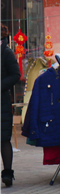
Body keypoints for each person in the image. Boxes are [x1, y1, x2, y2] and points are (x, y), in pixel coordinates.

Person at [2, 43, 21, 186]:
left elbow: (16, 75)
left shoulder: (6, 52)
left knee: (3, 138)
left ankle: (7, 173)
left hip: (1, 101)